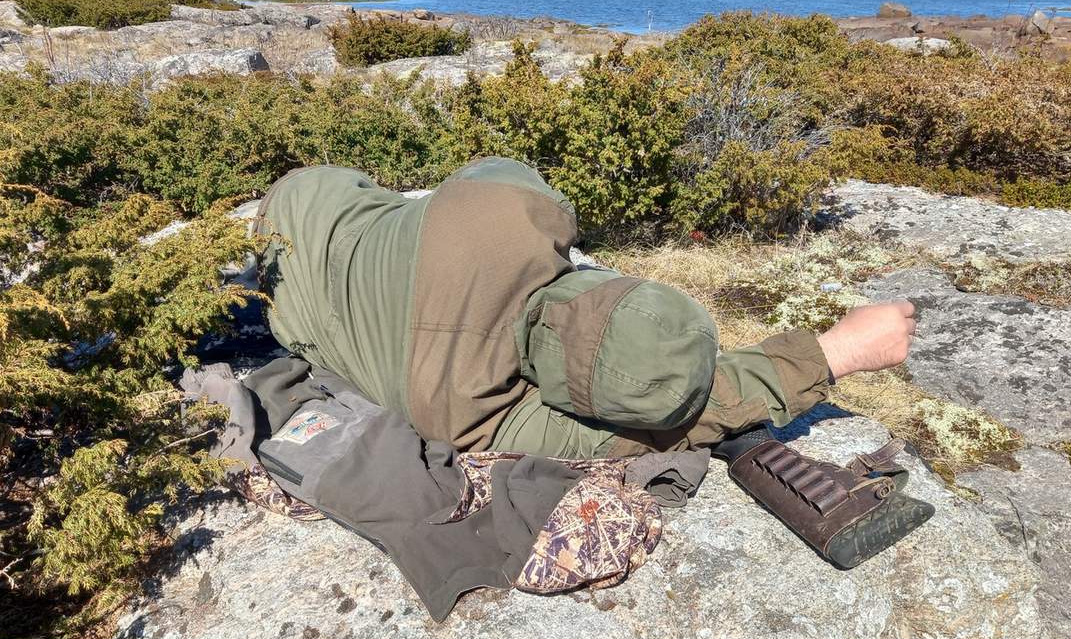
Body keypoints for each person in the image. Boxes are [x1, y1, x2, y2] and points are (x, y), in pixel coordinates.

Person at [251, 157, 916, 460]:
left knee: (375, 202)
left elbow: (494, 171)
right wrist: (834, 353)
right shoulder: (481, 421)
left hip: (311, 201)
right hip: (290, 310)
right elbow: (679, 424)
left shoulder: (498, 213)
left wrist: (557, 241)